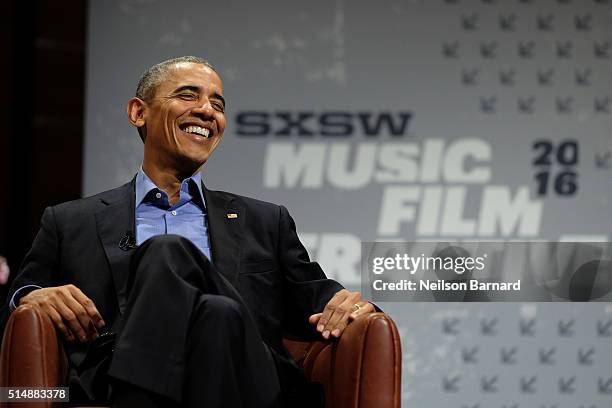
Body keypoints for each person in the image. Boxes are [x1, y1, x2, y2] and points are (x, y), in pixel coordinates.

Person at [2, 56, 376, 407]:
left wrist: (358, 306)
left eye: (218, 104)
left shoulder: (264, 220)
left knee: (168, 253)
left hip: (245, 375)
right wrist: (30, 296)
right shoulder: (71, 221)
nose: (207, 111)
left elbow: (318, 298)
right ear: (138, 112)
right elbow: (21, 293)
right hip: (112, 376)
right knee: (216, 314)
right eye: (188, 95)